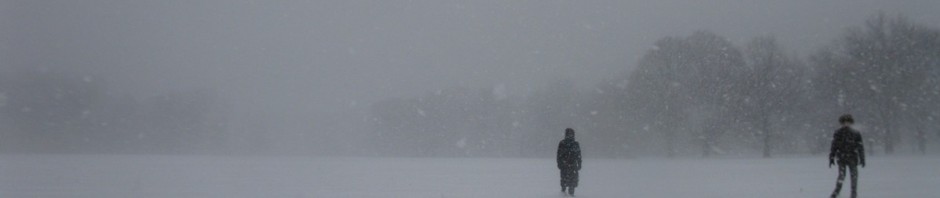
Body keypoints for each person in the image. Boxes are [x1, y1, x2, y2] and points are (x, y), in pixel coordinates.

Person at [829, 114, 865, 198]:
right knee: (841, 176)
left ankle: (853, 194)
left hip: (852, 158)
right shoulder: (838, 133)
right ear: (841, 123)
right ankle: (836, 192)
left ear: (851, 122)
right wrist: (831, 156)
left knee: (854, 176)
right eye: (844, 122)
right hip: (842, 158)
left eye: (848, 122)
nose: (846, 124)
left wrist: (862, 158)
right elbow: (834, 145)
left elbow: (860, 146)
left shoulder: (855, 133)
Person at [557, 128, 582, 196]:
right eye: (569, 134)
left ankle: (570, 194)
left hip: (572, 165)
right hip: (565, 165)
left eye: (571, 134)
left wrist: (579, 164)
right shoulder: (562, 143)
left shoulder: (575, 144)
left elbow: (578, 155)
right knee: (565, 181)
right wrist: (559, 163)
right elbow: (559, 155)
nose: (570, 135)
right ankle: (563, 194)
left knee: (571, 182)